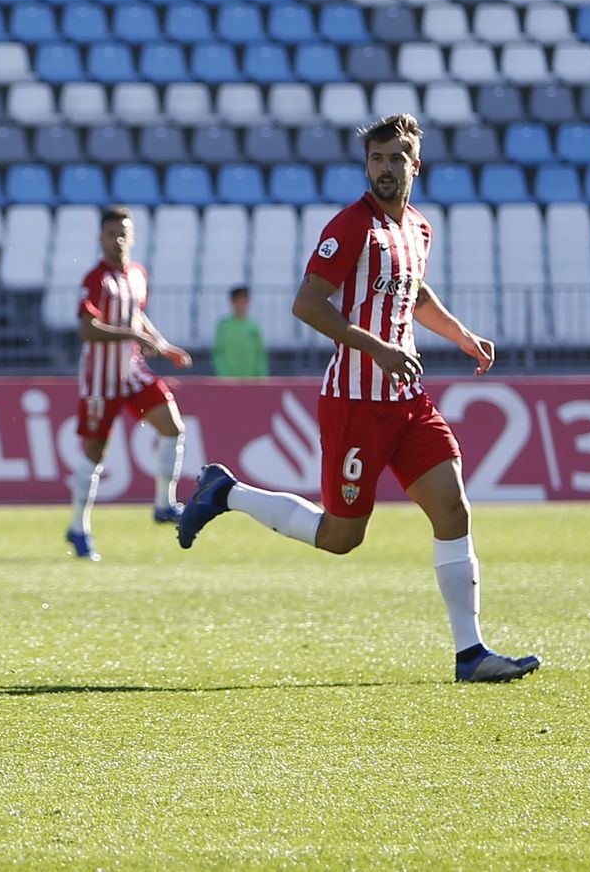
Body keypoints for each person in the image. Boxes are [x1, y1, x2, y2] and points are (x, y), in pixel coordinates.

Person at [176, 113, 540, 684]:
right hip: (355, 399)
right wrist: (378, 349)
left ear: (415, 165)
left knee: (453, 509)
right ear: (366, 165)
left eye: (396, 158)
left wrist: (462, 335)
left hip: (407, 397)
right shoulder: (350, 227)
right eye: (376, 159)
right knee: (342, 537)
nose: (386, 169)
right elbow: (308, 303)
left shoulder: (418, 228)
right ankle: (228, 492)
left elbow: (413, 292)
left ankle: (470, 653)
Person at [66, 206, 193, 561]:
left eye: (124, 233)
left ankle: (164, 505)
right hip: (100, 380)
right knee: (95, 455)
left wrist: (163, 346)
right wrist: (134, 334)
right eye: (111, 234)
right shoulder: (96, 279)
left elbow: (137, 314)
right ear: (101, 239)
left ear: (132, 236)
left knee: (173, 427)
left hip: (132, 372)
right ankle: (78, 528)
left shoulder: (137, 274)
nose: (118, 240)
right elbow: (87, 328)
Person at [212, 285, 268, 379]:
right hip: (229, 382)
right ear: (232, 302)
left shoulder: (253, 326)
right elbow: (218, 353)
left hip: (251, 381)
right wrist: (224, 376)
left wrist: (261, 377)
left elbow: (260, 354)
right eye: (238, 299)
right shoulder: (224, 326)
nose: (241, 303)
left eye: (244, 300)